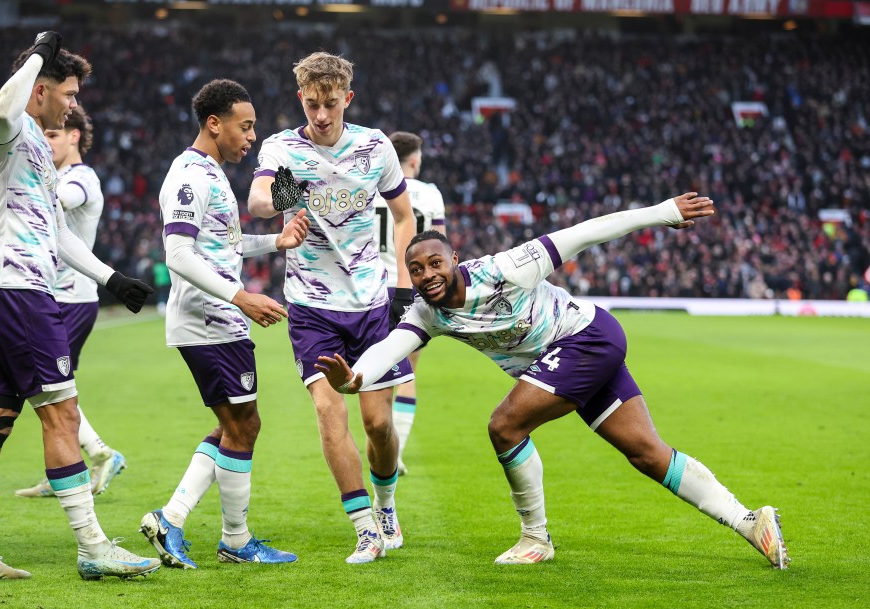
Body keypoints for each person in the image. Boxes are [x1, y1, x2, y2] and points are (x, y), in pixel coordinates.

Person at [316, 193, 790, 570]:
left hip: (587, 338)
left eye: (435, 263)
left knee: (505, 426)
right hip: (572, 356)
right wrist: (353, 380)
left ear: (453, 258)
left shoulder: (506, 269)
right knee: (647, 453)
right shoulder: (427, 313)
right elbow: (389, 349)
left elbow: (583, 234)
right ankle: (751, 522)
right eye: (416, 270)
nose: (426, 275)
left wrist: (661, 212)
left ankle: (535, 539)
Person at [0, 31, 160, 581]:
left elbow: (58, 231)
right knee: (62, 414)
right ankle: (93, 546)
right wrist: (39, 51)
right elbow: (1, 106)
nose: (74, 104)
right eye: (67, 93)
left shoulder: (41, 149)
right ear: (39, 88)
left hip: (9, 290)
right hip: (19, 293)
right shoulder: (1, 127)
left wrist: (111, 278)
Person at [248, 52, 417, 564]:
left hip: (370, 303)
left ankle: (387, 505)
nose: (321, 114)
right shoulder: (282, 147)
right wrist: (293, 198)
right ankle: (365, 527)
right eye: (312, 103)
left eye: (331, 104)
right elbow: (257, 200)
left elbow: (404, 215)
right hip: (311, 304)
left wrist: (403, 286)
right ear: (301, 98)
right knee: (327, 409)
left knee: (379, 426)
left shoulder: (375, 146)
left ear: (349, 98)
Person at [139, 79, 309, 568]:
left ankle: (172, 519)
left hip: (218, 318)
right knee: (244, 426)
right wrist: (241, 297)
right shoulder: (191, 176)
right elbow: (179, 253)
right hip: (210, 318)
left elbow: (223, 246)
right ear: (215, 123)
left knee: (235, 425)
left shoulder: (210, 173)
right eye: (246, 126)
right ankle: (235, 540)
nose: (251, 137)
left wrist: (275, 241)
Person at [15, 104, 127, 499]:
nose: (47, 141)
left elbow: (63, 198)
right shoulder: (60, 174)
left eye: (53, 135)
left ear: (74, 135)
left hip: (71, 299)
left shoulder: (82, 178)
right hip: (53, 296)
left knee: (47, 386)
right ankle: (77, 461)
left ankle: (87, 458)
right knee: (48, 387)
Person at [371, 131, 446, 476]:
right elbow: (441, 247)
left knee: (378, 370)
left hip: (373, 290)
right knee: (407, 371)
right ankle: (395, 449)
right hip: (414, 290)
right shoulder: (430, 195)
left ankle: (383, 445)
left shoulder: (373, 188)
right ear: (414, 160)